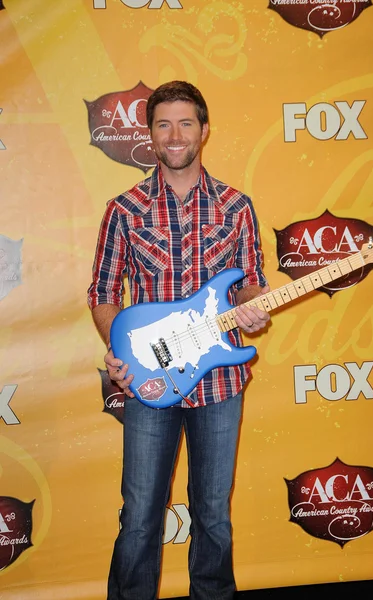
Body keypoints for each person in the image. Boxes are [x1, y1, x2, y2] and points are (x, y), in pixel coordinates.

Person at [87, 80, 271, 600]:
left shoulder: (236, 206)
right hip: (148, 384)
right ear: (149, 134)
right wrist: (119, 351)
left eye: (185, 123)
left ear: (204, 130)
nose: (174, 135)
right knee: (142, 515)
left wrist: (253, 307)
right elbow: (102, 292)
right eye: (163, 124)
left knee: (212, 514)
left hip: (220, 382)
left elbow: (251, 278)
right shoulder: (123, 209)